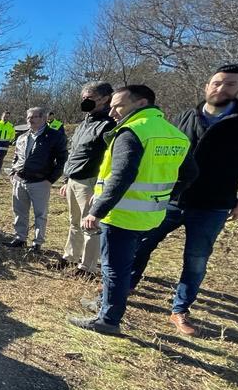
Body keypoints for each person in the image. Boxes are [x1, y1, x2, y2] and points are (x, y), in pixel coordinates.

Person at [128, 64, 238, 336]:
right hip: (172, 198)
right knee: (142, 241)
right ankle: (127, 285)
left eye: (230, 84)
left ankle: (180, 309)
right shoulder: (185, 117)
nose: (221, 88)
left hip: (213, 204)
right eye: (217, 83)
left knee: (196, 259)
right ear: (207, 86)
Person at [68, 85, 190, 335]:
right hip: (152, 214)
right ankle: (105, 304)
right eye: (111, 106)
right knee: (124, 265)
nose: (112, 112)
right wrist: (162, 196)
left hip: (122, 215)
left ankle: (108, 320)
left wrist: (97, 211)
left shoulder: (132, 131)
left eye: (118, 106)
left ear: (141, 103)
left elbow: (121, 176)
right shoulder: (174, 134)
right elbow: (190, 174)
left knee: (114, 268)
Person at [59, 82, 116, 274]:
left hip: (91, 181)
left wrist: (100, 187)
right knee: (74, 222)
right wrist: (66, 179)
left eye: (89, 98)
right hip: (73, 179)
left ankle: (87, 267)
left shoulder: (109, 125)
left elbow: (111, 159)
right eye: (83, 98)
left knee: (90, 225)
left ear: (105, 99)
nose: (85, 102)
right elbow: (74, 152)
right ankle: (70, 257)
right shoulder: (84, 123)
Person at [7, 107, 68, 250]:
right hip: (19, 180)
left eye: (34, 117)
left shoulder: (54, 136)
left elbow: (62, 160)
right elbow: (16, 156)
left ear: (43, 118)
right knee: (19, 211)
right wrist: (13, 172)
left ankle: (37, 242)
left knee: (40, 214)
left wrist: (51, 180)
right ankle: (20, 238)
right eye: (28, 117)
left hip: (40, 182)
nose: (30, 120)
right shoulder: (22, 137)